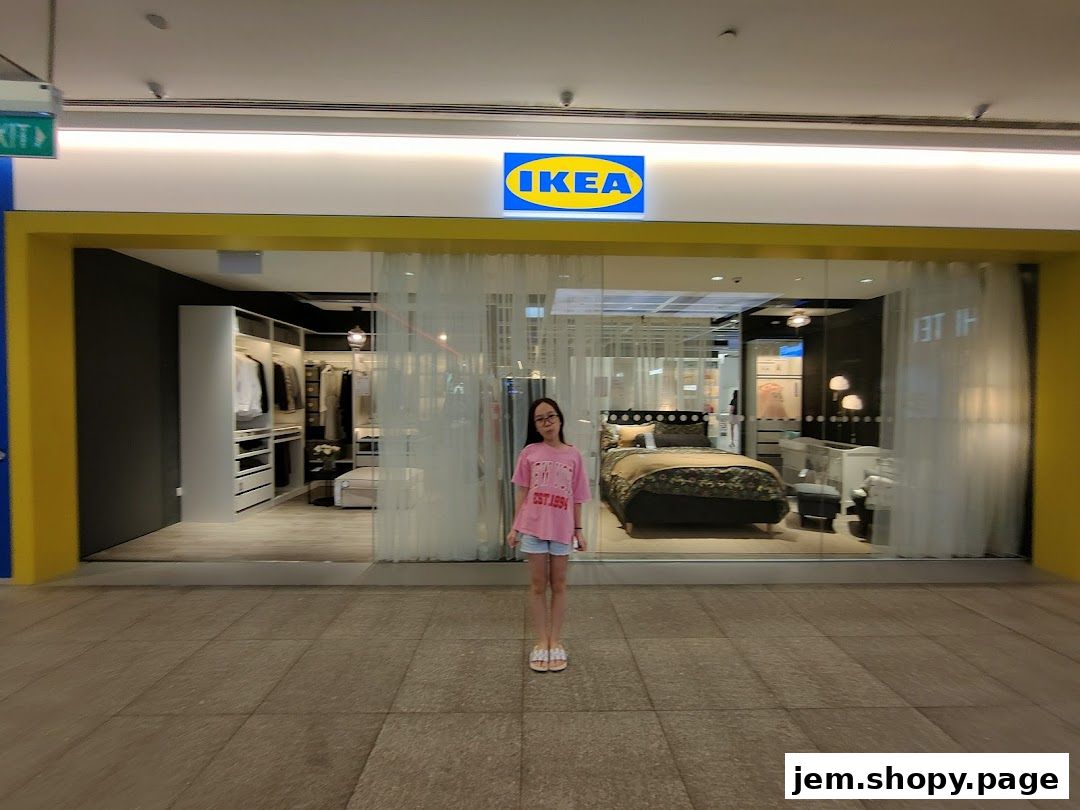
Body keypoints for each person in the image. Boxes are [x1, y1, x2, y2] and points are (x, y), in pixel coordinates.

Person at [506, 397, 591, 673]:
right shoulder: (529, 452)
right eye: (540, 419)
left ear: (560, 418)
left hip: (562, 530)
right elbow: (522, 491)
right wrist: (514, 526)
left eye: (550, 416)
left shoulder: (573, 455)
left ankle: (556, 640)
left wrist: (578, 531)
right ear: (535, 425)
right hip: (533, 527)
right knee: (538, 586)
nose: (547, 423)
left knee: (560, 585)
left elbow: (577, 498)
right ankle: (542, 641)